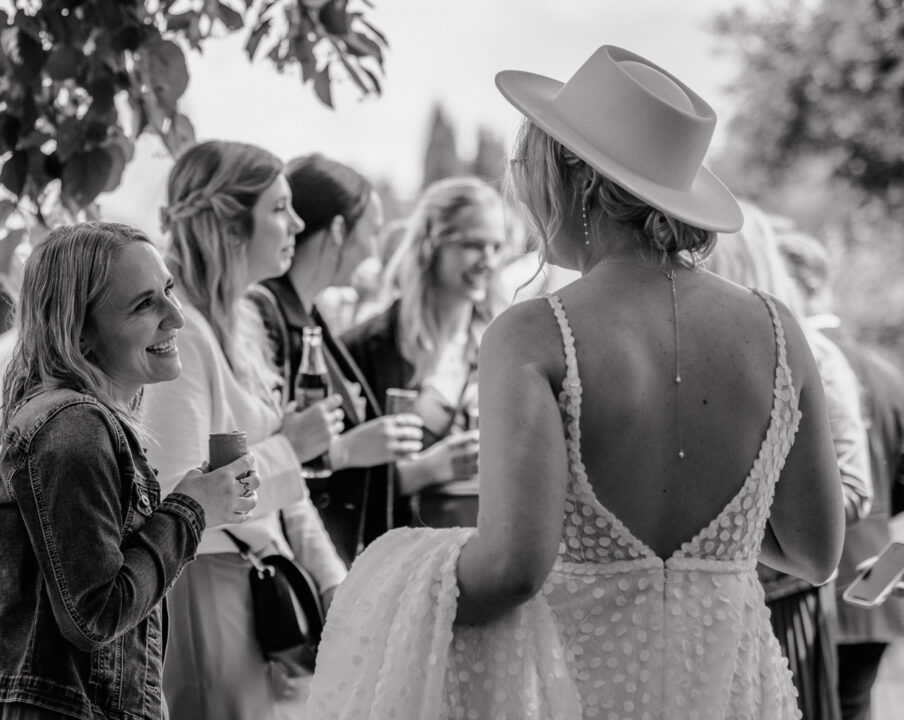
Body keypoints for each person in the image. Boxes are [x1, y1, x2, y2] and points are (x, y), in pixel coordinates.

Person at [307, 45, 844, 720]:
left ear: (579, 182)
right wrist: (717, 532)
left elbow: (510, 572)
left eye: (527, 166)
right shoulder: (777, 329)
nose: (524, 193)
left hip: (580, 692)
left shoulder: (533, 334)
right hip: (733, 690)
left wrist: (394, 578)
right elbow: (815, 550)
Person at [0, 222, 258, 719]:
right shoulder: (75, 428)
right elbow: (95, 614)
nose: (176, 318)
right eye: (144, 304)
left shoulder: (84, 421)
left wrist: (198, 503)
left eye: (168, 290)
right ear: (80, 331)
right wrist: (190, 512)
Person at [143, 140, 347, 719]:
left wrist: (331, 578)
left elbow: (287, 488)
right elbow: (177, 488)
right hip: (203, 578)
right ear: (232, 225)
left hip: (253, 577)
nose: (299, 223)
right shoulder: (181, 335)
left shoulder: (243, 323)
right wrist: (293, 446)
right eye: (280, 209)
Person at [706, 203, 873, 720]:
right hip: (711, 596)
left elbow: (853, 486)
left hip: (786, 596)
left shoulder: (816, 356)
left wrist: (743, 519)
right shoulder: (699, 347)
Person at [252, 153, 423, 563]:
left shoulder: (310, 317)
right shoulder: (268, 319)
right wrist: (346, 450)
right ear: (339, 230)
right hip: (291, 559)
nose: (374, 250)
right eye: (373, 232)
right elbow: (258, 446)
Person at [776, 227, 904, 720]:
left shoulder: (804, 359)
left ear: (803, 283)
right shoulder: (887, 370)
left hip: (811, 585)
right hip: (876, 581)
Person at [341, 176, 508, 529]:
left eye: (497, 246)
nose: (488, 261)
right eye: (474, 245)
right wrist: (422, 472)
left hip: (482, 554)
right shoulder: (365, 348)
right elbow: (332, 484)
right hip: (399, 559)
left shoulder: (501, 345)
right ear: (432, 245)